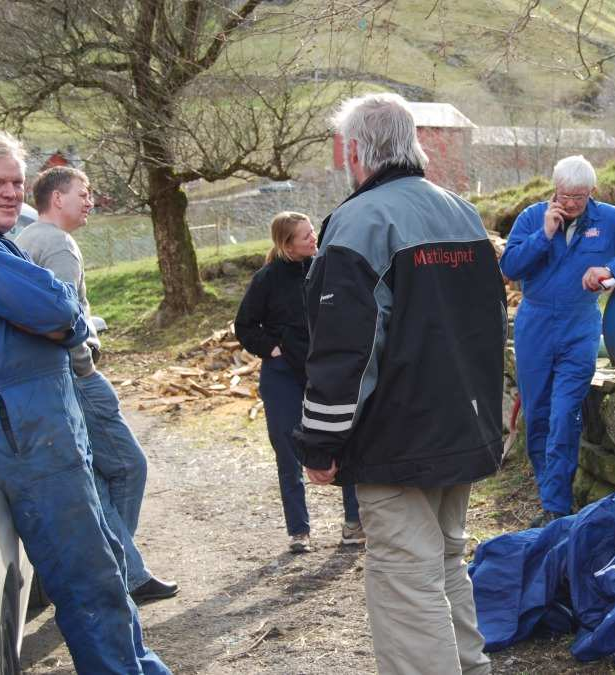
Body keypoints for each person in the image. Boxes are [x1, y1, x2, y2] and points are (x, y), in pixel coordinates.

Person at [0, 132, 171, 674]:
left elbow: (61, 312)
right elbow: (60, 311)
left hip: (38, 426)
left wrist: (62, 318)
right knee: (86, 572)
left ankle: (139, 666)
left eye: (15, 183)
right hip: (24, 432)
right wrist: (62, 319)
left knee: (99, 556)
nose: (10, 193)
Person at [294, 93, 505, 675]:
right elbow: (491, 329)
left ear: (356, 151)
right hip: (464, 427)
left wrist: (320, 442)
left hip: (398, 438)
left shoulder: (358, 223)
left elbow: (345, 350)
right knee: (445, 562)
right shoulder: (462, 213)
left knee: (406, 581)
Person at [16, 166, 178, 603]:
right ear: (57, 199)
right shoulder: (58, 244)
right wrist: (86, 364)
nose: (90, 201)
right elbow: (61, 317)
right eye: (83, 193)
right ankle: (118, 571)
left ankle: (114, 569)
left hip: (49, 379)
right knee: (127, 466)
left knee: (97, 476)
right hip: (76, 377)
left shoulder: (25, 239)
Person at [500, 155, 615, 527]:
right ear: (553, 191)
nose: (571, 203)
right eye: (564, 196)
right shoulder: (531, 217)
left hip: (580, 327)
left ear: (592, 191)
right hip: (535, 326)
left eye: (579, 196)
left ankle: (557, 506)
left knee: (564, 416)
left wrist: (611, 270)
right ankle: (550, 500)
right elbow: (509, 268)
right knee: (539, 415)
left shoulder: (610, 220)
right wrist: (543, 235)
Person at [235, 211, 364, 554]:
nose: (313, 239)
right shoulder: (267, 278)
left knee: (344, 437)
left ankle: (354, 523)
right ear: (286, 243)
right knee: (287, 447)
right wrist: (272, 349)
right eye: (305, 236)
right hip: (282, 376)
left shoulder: (327, 270)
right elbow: (245, 326)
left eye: (312, 233)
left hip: (327, 371)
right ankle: (298, 530)